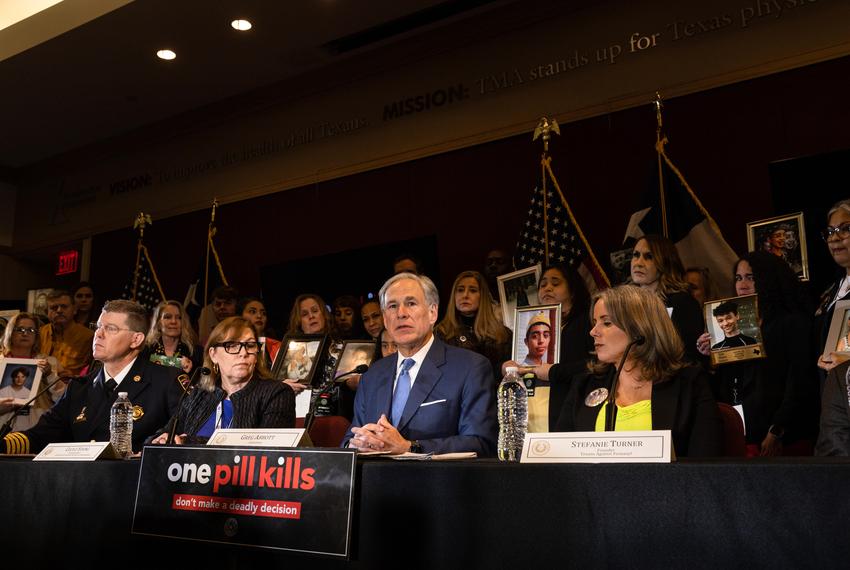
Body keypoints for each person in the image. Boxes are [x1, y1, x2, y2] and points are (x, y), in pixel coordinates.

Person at [554, 286, 722, 458]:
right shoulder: (583, 385)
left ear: (640, 328)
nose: (593, 332)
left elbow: (705, 465)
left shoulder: (690, 383)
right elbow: (560, 459)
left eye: (606, 322)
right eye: (594, 322)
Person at [343, 273, 497, 456]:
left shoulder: (471, 368)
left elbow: (481, 442)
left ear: (433, 312)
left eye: (411, 303)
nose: (401, 313)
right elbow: (349, 439)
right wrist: (355, 446)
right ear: (385, 319)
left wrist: (410, 447)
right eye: (392, 306)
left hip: (438, 482)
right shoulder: (372, 375)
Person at [1, 300, 183, 455]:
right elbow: (41, 434)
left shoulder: (165, 381)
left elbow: (182, 430)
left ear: (136, 340)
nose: (98, 334)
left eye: (111, 329)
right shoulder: (79, 387)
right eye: (97, 327)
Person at [697, 252, 818, 456]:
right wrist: (712, 358)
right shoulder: (734, 328)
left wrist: (778, 429)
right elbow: (730, 385)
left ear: (769, 279)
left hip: (784, 437)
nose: (742, 284)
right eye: (738, 278)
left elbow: (799, 380)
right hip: (746, 435)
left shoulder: (792, 323)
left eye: (750, 277)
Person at [151, 317, 295, 444]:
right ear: (213, 355)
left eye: (250, 345)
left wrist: (188, 442)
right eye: (232, 346)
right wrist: (162, 439)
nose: (243, 353)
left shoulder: (277, 393)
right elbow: (164, 433)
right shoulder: (200, 394)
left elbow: (264, 449)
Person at [505, 263, 594, 432]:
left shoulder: (586, 322)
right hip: (529, 412)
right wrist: (506, 367)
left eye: (555, 283)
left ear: (572, 291)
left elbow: (594, 364)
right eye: (543, 284)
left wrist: (554, 372)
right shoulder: (526, 326)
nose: (547, 288)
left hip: (568, 411)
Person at [629, 235, 704, 364]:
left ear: (665, 262)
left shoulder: (682, 302)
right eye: (636, 255)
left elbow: (691, 356)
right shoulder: (625, 304)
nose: (638, 263)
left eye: (649, 257)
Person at [435, 270, 510, 379]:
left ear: (482, 296)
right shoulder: (441, 333)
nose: (465, 295)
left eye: (473, 290)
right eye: (460, 290)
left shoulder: (502, 334)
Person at [0, 313, 64, 431]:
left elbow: (63, 399)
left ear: (36, 335)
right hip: (4, 431)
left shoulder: (50, 362)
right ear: (10, 332)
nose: (25, 333)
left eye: (31, 330)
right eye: (20, 329)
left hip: (39, 430)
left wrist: (49, 375)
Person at [816, 199, 850, 374]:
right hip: (834, 395)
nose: (834, 238)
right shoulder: (830, 292)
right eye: (830, 232)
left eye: (846, 229)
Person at [39, 289, 94, 376]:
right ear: (46, 312)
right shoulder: (39, 333)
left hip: (73, 385)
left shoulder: (89, 337)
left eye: (64, 307)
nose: (59, 310)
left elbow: (94, 371)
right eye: (54, 308)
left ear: (75, 310)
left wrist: (74, 375)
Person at [144, 300, 203, 374]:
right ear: (158, 323)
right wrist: (177, 363)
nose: (174, 321)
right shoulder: (146, 350)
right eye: (167, 317)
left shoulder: (197, 353)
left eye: (179, 318)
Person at [239, 297, 281, 366]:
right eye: (252, 312)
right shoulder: (232, 346)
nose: (259, 316)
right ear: (240, 316)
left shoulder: (276, 346)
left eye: (263, 313)